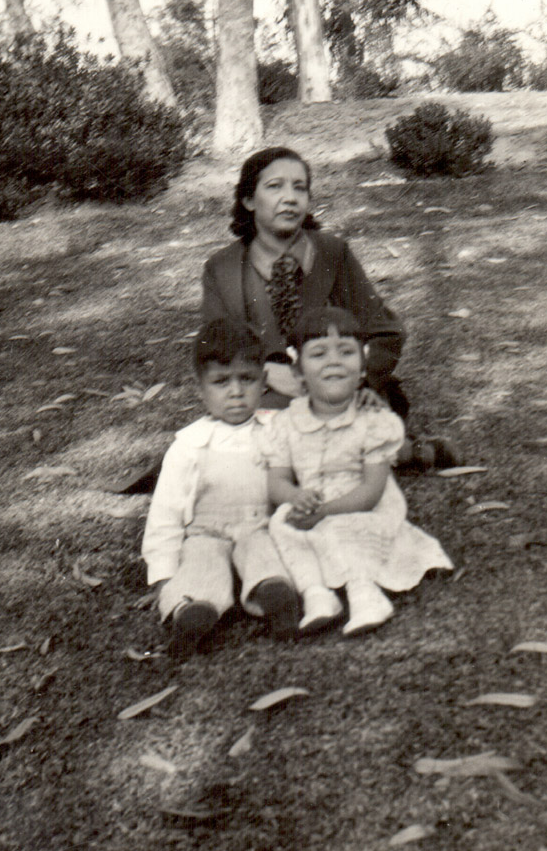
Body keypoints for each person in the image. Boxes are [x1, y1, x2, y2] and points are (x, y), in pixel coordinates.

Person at [201, 146, 456, 470]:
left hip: (343, 393)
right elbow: (216, 348)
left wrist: (351, 378)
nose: (290, 197)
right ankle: (395, 453)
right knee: (252, 441)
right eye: (275, 186)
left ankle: (377, 451)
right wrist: (264, 372)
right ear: (249, 200)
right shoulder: (222, 269)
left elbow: (386, 333)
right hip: (268, 398)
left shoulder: (333, 254)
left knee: (278, 449)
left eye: (300, 187)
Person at [259, 307, 454, 637]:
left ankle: (364, 593)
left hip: (360, 503)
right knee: (281, 525)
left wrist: (323, 511)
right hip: (312, 502)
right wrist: (296, 497)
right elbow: (276, 481)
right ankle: (316, 595)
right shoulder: (285, 423)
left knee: (343, 527)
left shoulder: (373, 421)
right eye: (318, 354)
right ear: (299, 373)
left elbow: (372, 491)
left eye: (346, 352)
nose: (334, 361)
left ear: (363, 367)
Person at [141, 319, 299, 656]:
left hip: (259, 525)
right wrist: (162, 573)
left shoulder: (278, 428)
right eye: (221, 382)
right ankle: (192, 612)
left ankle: (276, 599)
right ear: (201, 389)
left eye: (247, 379)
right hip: (205, 532)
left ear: (264, 381)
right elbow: (165, 513)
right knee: (200, 566)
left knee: (265, 553)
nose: (236, 392)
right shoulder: (189, 445)